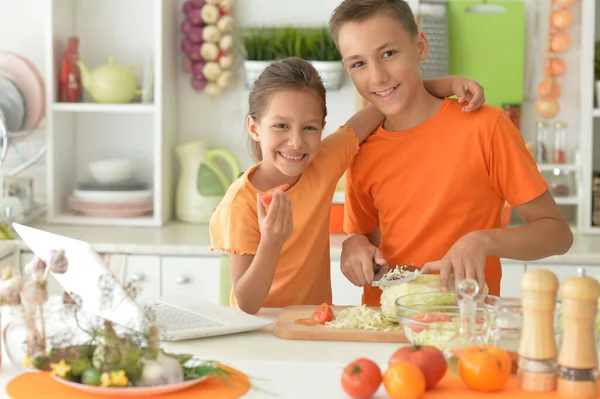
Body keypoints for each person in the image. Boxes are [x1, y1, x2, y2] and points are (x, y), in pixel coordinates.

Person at [328, 0, 574, 307]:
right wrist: (354, 245)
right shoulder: (361, 149)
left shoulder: (485, 126)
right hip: (386, 328)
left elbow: (558, 234)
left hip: (468, 327)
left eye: (388, 53)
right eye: (358, 64)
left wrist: (482, 241)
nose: (377, 77)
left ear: (420, 46)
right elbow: (366, 239)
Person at [209, 56, 486, 314]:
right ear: (255, 127)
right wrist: (271, 243)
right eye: (281, 126)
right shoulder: (240, 204)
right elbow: (247, 303)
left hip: (314, 326)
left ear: (322, 127)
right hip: (260, 335)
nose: (296, 142)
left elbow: (384, 105)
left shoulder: (322, 165)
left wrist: (447, 84)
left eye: (309, 128)